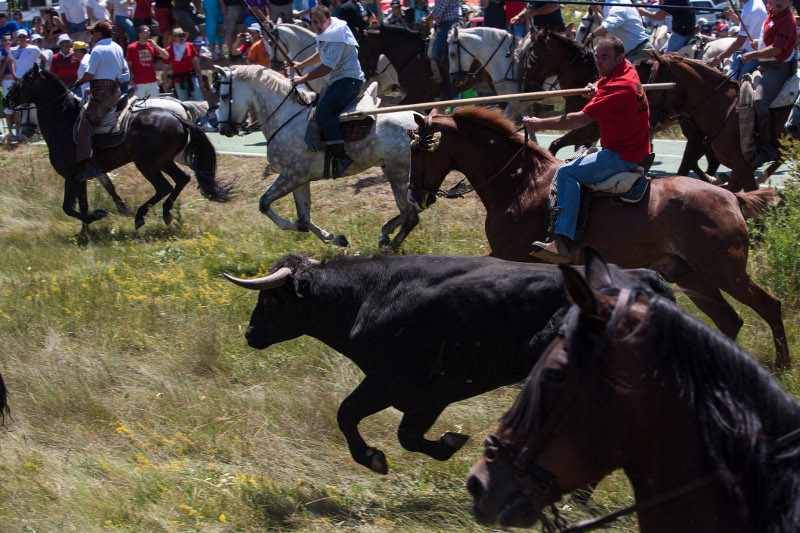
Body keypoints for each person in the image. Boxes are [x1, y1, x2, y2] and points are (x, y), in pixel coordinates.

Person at [524, 36, 650, 263]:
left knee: (566, 172)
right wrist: (596, 87)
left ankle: (561, 243)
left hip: (621, 157)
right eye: (597, 57)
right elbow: (606, 84)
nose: (599, 63)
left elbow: (579, 121)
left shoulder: (617, 88)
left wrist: (538, 123)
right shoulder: (627, 71)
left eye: (605, 58)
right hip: (634, 149)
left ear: (619, 57)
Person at [290, 5, 365, 178]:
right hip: (340, 82)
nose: (317, 25)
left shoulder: (337, 36)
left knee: (325, 110)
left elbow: (327, 66)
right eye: (314, 22)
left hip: (348, 81)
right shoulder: (329, 34)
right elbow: (321, 54)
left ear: (329, 20)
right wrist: (301, 65)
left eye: (321, 21)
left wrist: (302, 79)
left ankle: (341, 157)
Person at [744, 0, 797, 167]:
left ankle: (766, 148)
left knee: (759, 100)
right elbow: (769, 41)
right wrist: (758, 44)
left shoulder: (787, 20)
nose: (777, 2)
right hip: (765, 66)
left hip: (778, 68)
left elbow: (776, 50)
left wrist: (753, 55)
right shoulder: (771, 14)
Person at [74, 20, 127, 181]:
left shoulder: (97, 50)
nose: (91, 36)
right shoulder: (117, 47)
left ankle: (92, 165)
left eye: (92, 33)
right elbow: (123, 71)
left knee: (85, 124)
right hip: (115, 89)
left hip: (102, 94)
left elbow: (89, 75)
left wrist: (80, 82)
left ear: (98, 34)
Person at [706, 0, 767, 82]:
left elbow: (739, 42)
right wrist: (733, 16)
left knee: (728, 84)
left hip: (750, 54)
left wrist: (717, 59)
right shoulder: (756, 2)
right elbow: (747, 26)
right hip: (748, 50)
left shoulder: (750, 10)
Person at [589, 0, 654, 62]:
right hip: (632, 52)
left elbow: (609, 25)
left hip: (638, 52)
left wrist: (593, 34)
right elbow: (611, 17)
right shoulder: (614, 4)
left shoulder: (618, 5)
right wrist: (598, 8)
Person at [420, 0, 460, 83]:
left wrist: (425, 20)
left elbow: (437, 12)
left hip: (448, 24)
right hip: (449, 23)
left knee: (438, 51)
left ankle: (447, 79)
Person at [126, 24, 168, 98]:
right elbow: (128, 66)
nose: (148, 32)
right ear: (140, 34)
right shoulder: (132, 47)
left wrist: (155, 46)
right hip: (139, 83)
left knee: (154, 105)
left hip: (152, 82)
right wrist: (131, 82)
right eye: (146, 31)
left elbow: (166, 56)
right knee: (139, 106)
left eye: (149, 31)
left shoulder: (151, 46)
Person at [165, 27, 204, 101]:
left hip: (192, 77)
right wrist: (165, 82)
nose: (181, 37)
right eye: (179, 36)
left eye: (183, 35)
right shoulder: (169, 49)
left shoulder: (189, 45)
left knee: (199, 100)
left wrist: (200, 77)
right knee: (183, 102)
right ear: (174, 38)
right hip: (178, 79)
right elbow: (166, 66)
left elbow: (196, 62)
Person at [1, 34, 17, 140]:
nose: (7, 41)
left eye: (9, 40)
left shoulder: (15, 51)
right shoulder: (1, 54)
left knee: (17, 107)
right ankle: (11, 133)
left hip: (15, 80)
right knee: (8, 108)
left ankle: (19, 131)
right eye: (5, 40)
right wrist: (6, 60)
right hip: (6, 80)